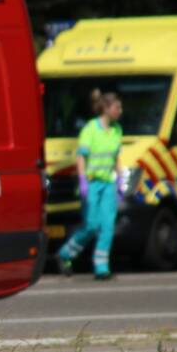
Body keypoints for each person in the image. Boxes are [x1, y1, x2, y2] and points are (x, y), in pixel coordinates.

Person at [56, 90, 124, 280]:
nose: (120, 110)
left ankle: (101, 267)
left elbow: (116, 157)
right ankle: (66, 254)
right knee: (91, 225)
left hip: (108, 184)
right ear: (107, 108)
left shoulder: (117, 130)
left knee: (108, 226)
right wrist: (83, 181)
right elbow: (81, 157)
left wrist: (120, 180)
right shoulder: (90, 129)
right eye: (117, 107)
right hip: (92, 184)